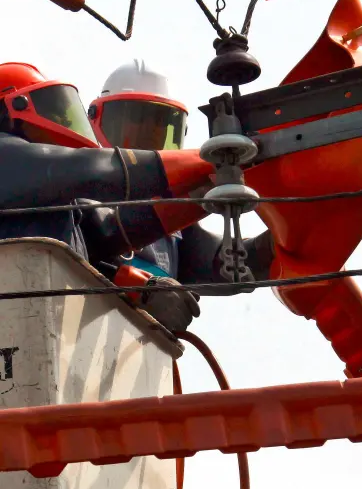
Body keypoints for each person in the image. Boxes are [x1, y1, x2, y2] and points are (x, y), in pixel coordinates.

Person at [0, 61, 221, 331]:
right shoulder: (12, 161)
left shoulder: (53, 200)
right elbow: (92, 170)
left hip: (46, 330)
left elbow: (107, 234)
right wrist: (210, 159)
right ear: (11, 112)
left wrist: (202, 194)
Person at [87, 60, 274, 304]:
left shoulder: (175, 221)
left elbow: (225, 264)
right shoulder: (79, 194)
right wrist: (134, 286)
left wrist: (275, 245)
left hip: (146, 329)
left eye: (158, 128)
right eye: (135, 125)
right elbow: (75, 252)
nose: (144, 146)